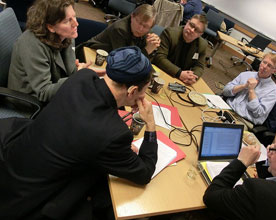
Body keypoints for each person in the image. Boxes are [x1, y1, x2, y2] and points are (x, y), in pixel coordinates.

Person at [0, 46, 158, 220]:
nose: (143, 97)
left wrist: (117, 151)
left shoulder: (83, 76)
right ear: (132, 90)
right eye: (144, 91)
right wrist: (150, 125)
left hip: (20, 155)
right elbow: (144, 174)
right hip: (34, 194)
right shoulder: (114, 133)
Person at [8, 0, 93, 103]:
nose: (76, 24)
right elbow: (43, 92)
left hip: (56, 91)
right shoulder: (32, 45)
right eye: (67, 21)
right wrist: (76, 77)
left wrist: (79, 70)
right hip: (30, 102)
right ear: (50, 27)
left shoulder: (67, 36)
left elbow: (68, 72)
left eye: (74, 16)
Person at [77, 4, 160, 58]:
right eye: (138, 22)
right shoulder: (120, 29)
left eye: (145, 26)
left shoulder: (147, 33)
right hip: (90, 54)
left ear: (150, 28)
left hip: (110, 58)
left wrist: (153, 48)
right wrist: (147, 50)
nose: (140, 29)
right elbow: (123, 60)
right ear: (132, 16)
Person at [222, 52, 276, 126]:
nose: (264, 67)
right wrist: (243, 86)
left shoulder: (273, 90)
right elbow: (225, 91)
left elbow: (259, 113)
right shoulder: (246, 74)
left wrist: (251, 91)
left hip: (244, 120)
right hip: (227, 108)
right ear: (261, 62)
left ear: (274, 71)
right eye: (264, 62)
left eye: (269, 66)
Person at [152, 14, 208, 85]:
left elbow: (199, 66)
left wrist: (193, 77)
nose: (192, 30)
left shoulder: (202, 45)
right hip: (163, 72)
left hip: (181, 80)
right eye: (191, 25)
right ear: (187, 22)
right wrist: (179, 73)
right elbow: (159, 57)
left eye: (196, 30)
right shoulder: (170, 33)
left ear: (200, 34)